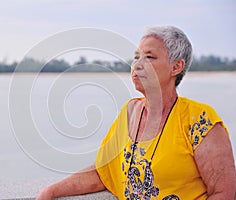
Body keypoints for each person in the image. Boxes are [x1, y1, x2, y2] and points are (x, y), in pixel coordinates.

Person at [36, 25, 236, 200]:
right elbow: (103, 172)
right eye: (136, 57)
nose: (137, 65)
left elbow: (225, 193)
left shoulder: (200, 121)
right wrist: (51, 191)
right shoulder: (129, 113)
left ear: (176, 67)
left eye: (149, 57)